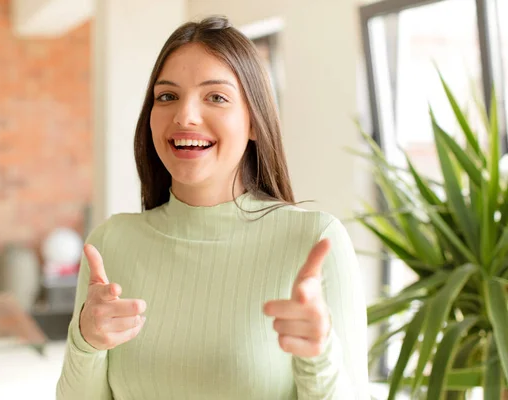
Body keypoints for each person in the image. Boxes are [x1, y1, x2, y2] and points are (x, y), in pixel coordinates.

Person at [57, 15, 369, 400]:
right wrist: (86, 342)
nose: (185, 116)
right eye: (167, 96)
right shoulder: (109, 243)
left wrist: (318, 357)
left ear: (254, 122)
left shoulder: (315, 242)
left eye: (216, 97)